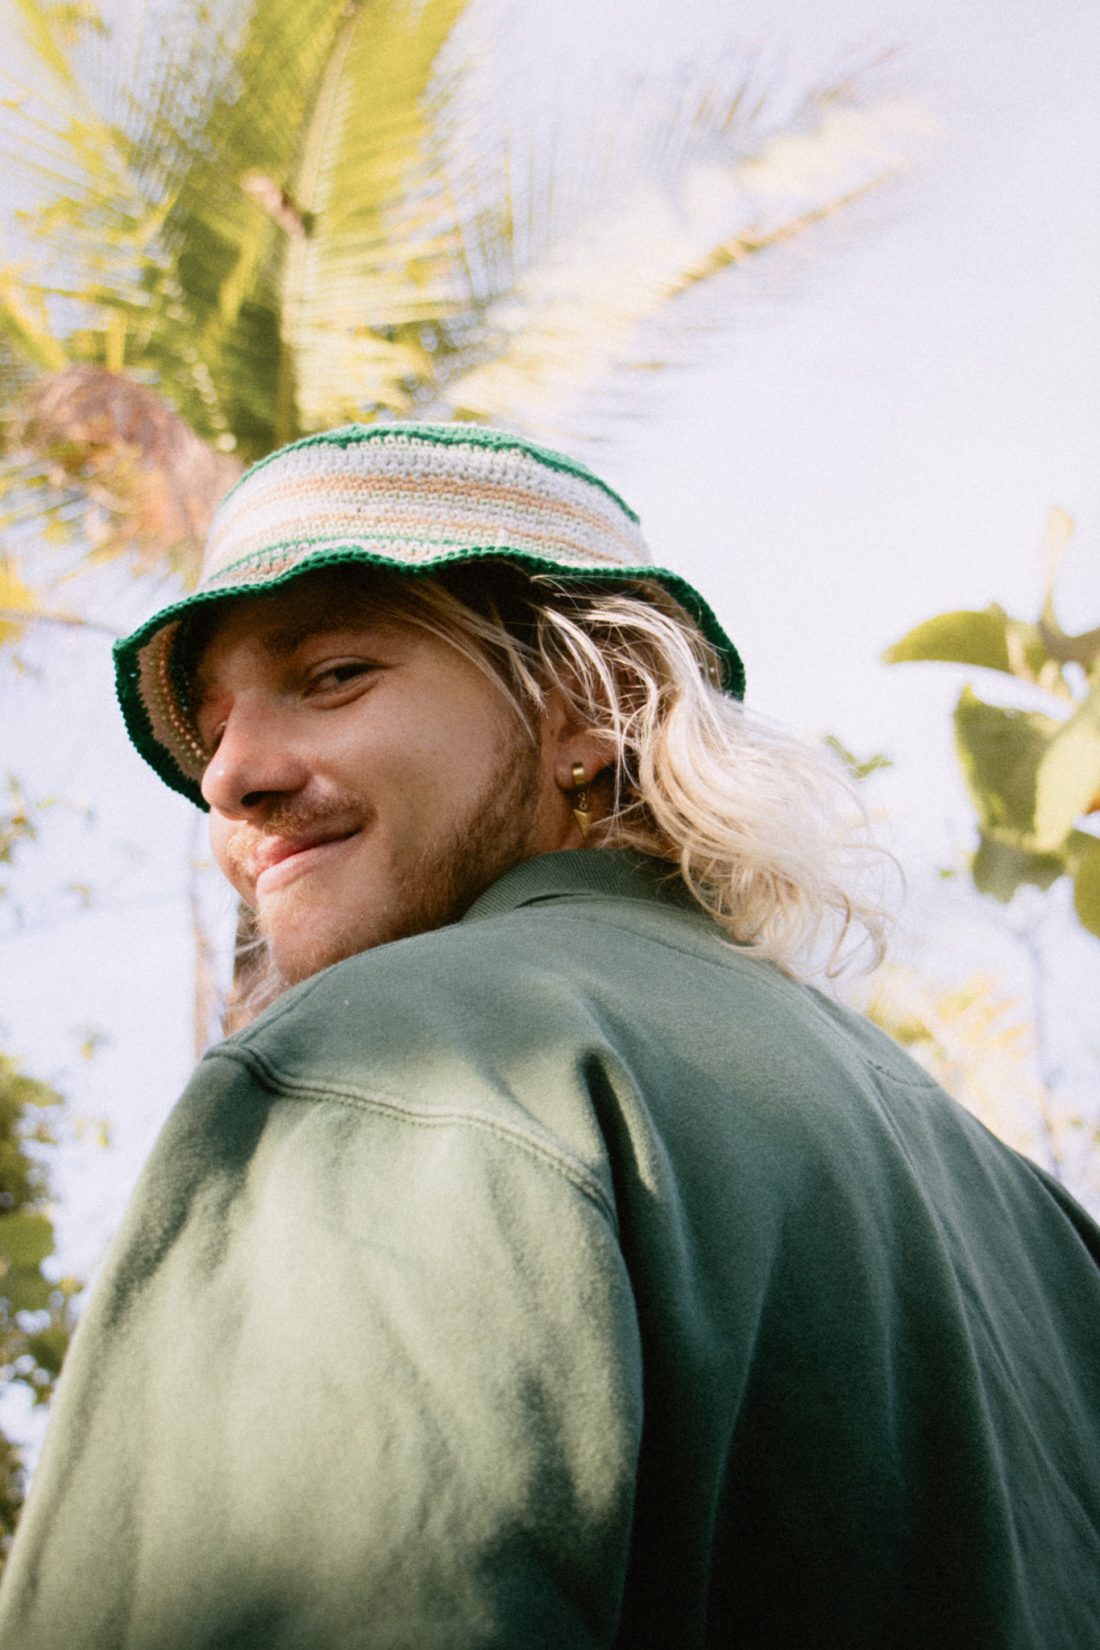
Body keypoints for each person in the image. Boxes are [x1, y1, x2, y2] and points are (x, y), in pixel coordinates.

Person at [1, 422, 1097, 1650]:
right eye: (212, 733)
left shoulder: (406, 1050)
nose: (230, 779)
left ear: (592, 705)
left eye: (332, 676)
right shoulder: (1018, 1207)